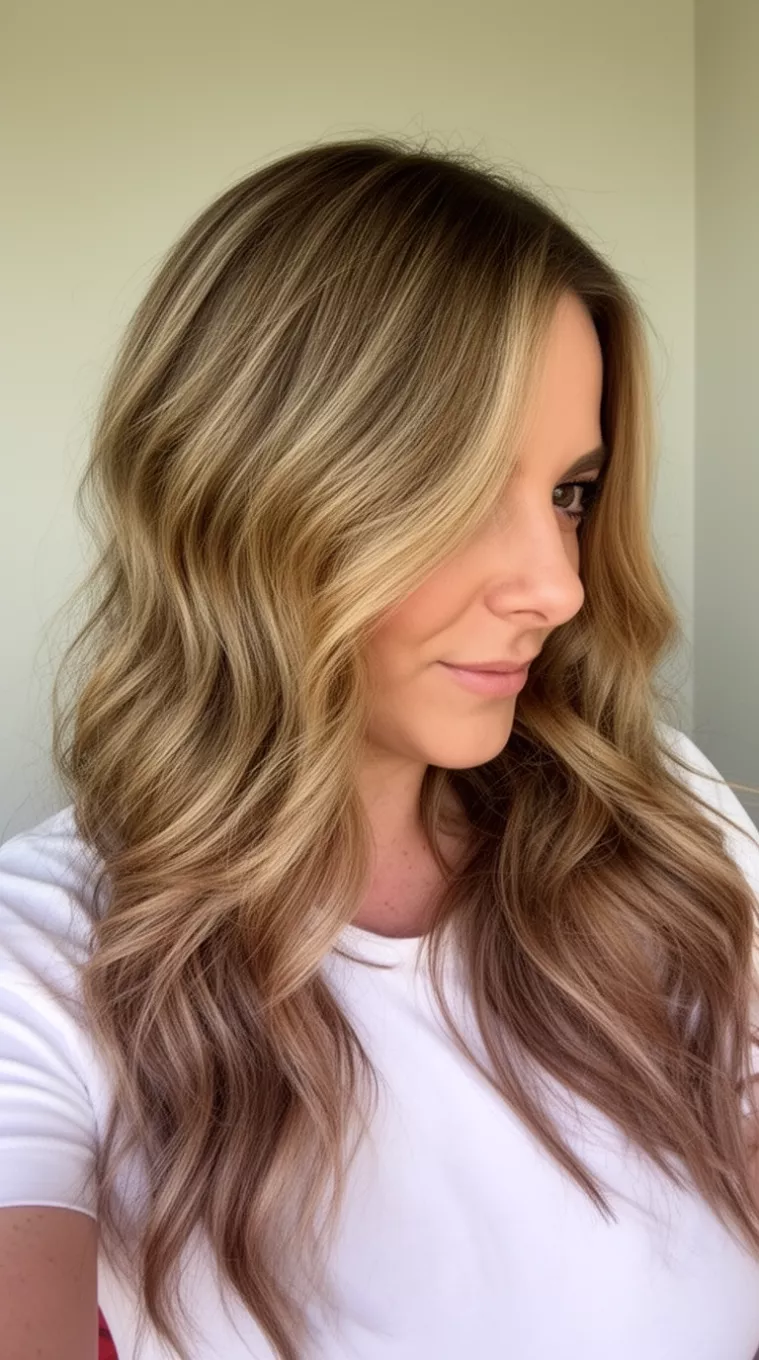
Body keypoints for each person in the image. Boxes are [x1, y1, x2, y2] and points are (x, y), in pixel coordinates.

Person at [2, 136, 759, 1360]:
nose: (560, 588)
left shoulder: (657, 817)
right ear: (256, 493)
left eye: (571, 491)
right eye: (464, 491)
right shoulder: (44, 964)